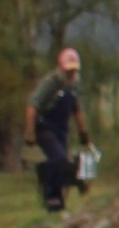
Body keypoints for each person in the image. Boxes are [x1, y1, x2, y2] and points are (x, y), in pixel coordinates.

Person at [24, 48, 91, 214]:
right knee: (59, 159)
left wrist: (84, 133)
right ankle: (51, 196)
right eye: (68, 70)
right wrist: (30, 131)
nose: (71, 73)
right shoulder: (50, 83)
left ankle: (58, 203)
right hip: (45, 127)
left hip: (62, 129)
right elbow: (32, 105)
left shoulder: (75, 85)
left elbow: (77, 109)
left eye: (74, 70)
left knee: (63, 164)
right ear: (61, 68)